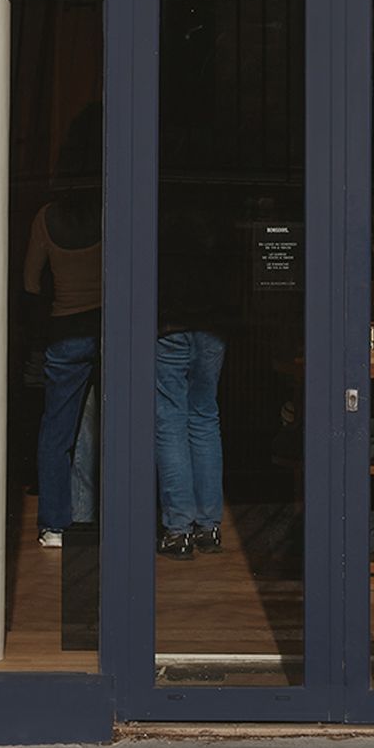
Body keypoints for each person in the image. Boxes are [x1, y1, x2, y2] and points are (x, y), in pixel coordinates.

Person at [24, 104, 102, 548]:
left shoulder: (47, 217)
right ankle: (101, 512)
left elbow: (30, 282)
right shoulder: (110, 212)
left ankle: (54, 523)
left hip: (65, 329)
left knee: (57, 428)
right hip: (107, 326)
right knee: (107, 425)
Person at [154, 207, 229, 559]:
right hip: (211, 331)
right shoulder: (212, 246)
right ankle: (209, 525)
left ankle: (178, 529)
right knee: (204, 419)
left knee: (170, 422)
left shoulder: (164, 245)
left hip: (171, 330)